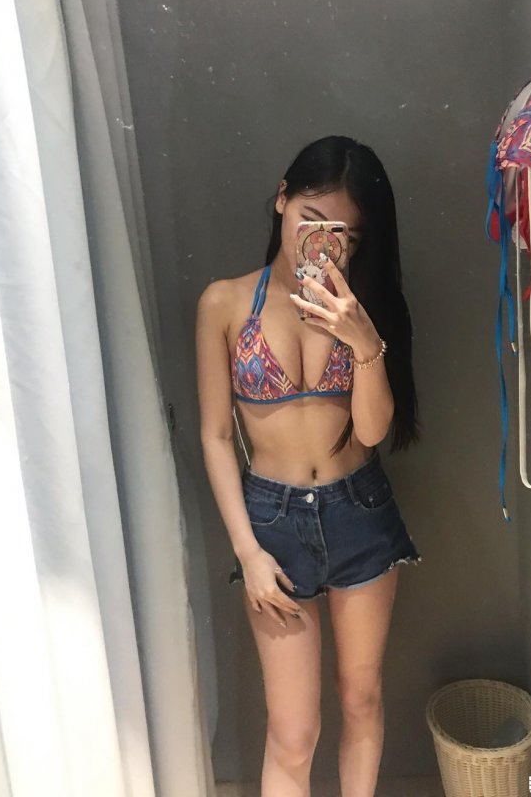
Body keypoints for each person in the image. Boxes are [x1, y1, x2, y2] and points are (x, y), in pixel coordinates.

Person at [195, 135, 423, 797]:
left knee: (361, 700)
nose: (321, 243)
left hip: (359, 509)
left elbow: (373, 431)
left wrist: (363, 339)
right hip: (273, 522)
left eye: (342, 233)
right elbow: (215, 435)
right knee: (293, 733)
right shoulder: (224, 303)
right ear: (281, 200)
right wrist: (247, 551)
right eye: (310, 219)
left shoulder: (361, 306)